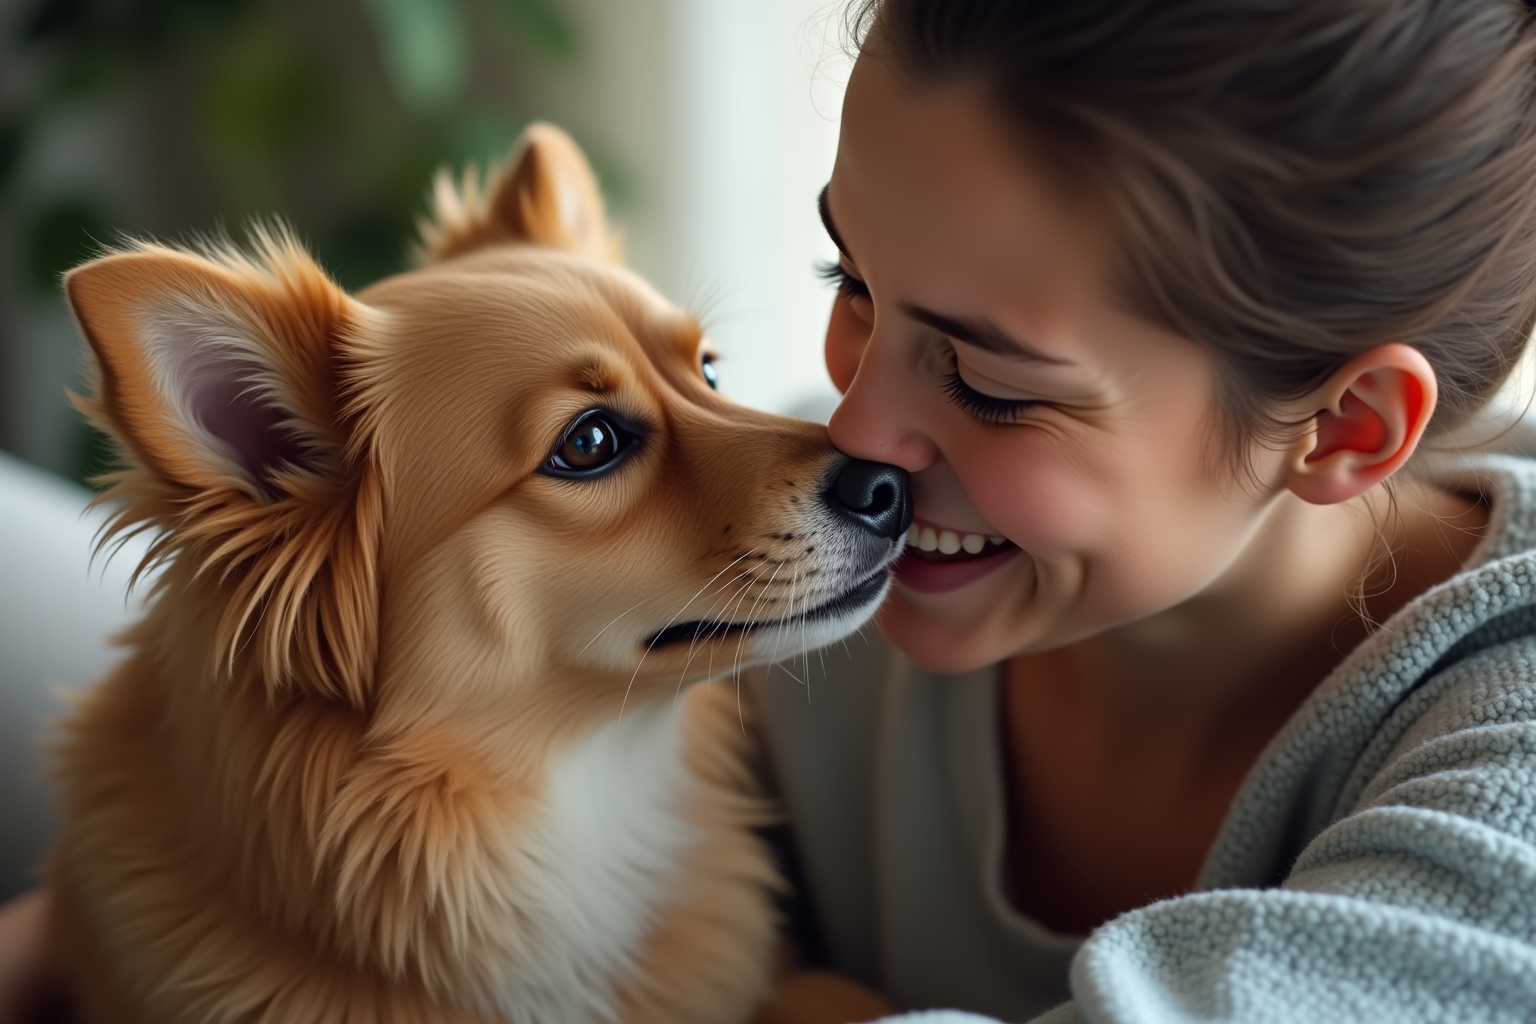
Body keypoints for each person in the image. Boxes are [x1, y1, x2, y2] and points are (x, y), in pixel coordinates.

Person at [7, 0, 1536, 1021]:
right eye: (849, 287)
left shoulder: (1505, 778)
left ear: (1343, 429)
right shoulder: (841, 569)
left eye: (994, 379)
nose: (850, 432)